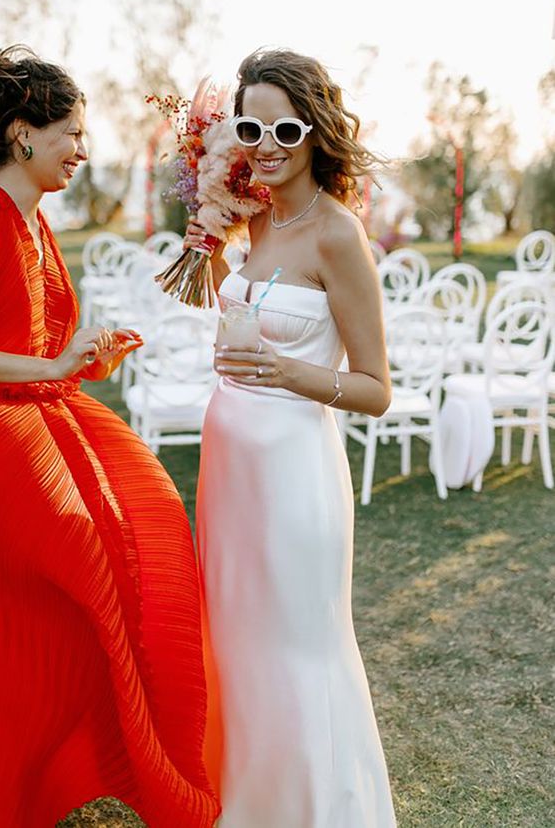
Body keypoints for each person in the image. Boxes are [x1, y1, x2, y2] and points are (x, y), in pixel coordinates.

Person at [0, 46, 219, 828]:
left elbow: (35, 353)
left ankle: (1, 743)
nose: (82, 151)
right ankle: (8, 757)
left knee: (146, 529)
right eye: (71, 134)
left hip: (35, 417)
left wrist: (85, 359)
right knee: (81, 570)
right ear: (21, 132)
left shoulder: (42, 227)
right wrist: (51, 363)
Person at [187, 48, 397, 827]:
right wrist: (205, 233)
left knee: (297, 651)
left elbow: (375, 389)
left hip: (293, 478)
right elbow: (231, 313)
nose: (266, 142)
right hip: (229, 469)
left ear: (315, 131)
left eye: (283, 126)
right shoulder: (261, 218)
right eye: (251, 125)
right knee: (234, 646)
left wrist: (283, 371)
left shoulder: (339, 235)